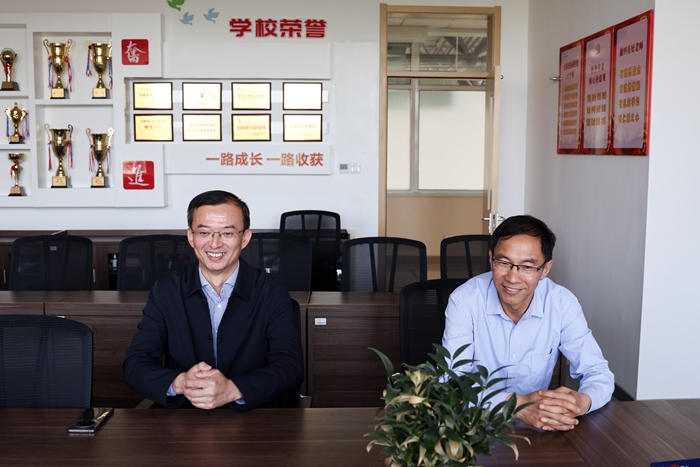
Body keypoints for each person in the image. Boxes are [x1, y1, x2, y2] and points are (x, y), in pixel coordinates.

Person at [123, 190, 304, 411]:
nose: (215, 244)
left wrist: (233, 389)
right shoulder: (166, 291)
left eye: (227, 233)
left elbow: (290, 366)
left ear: (245, 238)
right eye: (204, 232)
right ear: (191, 237)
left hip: (253, 417)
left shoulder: (270, 291)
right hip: (184, 417)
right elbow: (135, 364)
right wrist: (181, 383)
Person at [442, 215, 614, 431]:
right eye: (503, 263)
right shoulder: (465, 301)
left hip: (538, 428)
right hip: (473, 426)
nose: (513, 278)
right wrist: (517, 405)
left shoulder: (561, 303)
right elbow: (451, 383)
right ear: (491, 258)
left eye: (527, 267)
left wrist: (580, 402)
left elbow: (598, 372)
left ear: (545, 269)